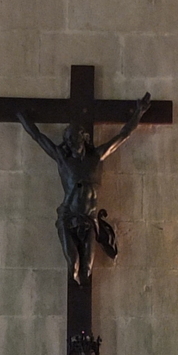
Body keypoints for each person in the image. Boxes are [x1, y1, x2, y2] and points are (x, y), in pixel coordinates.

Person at [16, 93, 150, 286]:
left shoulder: (97, 157)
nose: (70, 142)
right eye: (68, 139)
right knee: (73, 264)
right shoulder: (63, 159)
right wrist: (22, 118)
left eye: (74, 138)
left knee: (86, 268)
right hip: (68, 216)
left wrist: (139, 112)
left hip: (89, 219)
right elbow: (38, 137)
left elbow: (123, 135)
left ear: (83, 138)